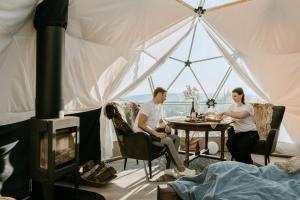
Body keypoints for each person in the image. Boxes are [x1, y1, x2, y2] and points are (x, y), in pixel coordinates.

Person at [133, 87, 195, 176]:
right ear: (159, 94)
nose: (166, 98)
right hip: (143, 137)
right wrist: (157, 134)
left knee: (176, 138)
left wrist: (166, 126)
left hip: (152, 134)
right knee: (168, 140)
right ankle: (182, 169)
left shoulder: (158, 106)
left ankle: (169, 169)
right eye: (165, 96)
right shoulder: (147, 106)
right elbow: (141, 124)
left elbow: (160, 120)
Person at [219, 87, 259, 164]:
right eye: (232, 96)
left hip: (251, 133)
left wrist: (226, 113)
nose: (233, 98)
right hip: (239, 133)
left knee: (242, 145)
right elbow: (224, 117)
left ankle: (248, 163)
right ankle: (240, 162)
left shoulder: (248, 106)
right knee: (230, 143)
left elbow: (240, 115)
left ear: (241, 95)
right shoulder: (232, 106)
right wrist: (216, 116)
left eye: (235, 96)